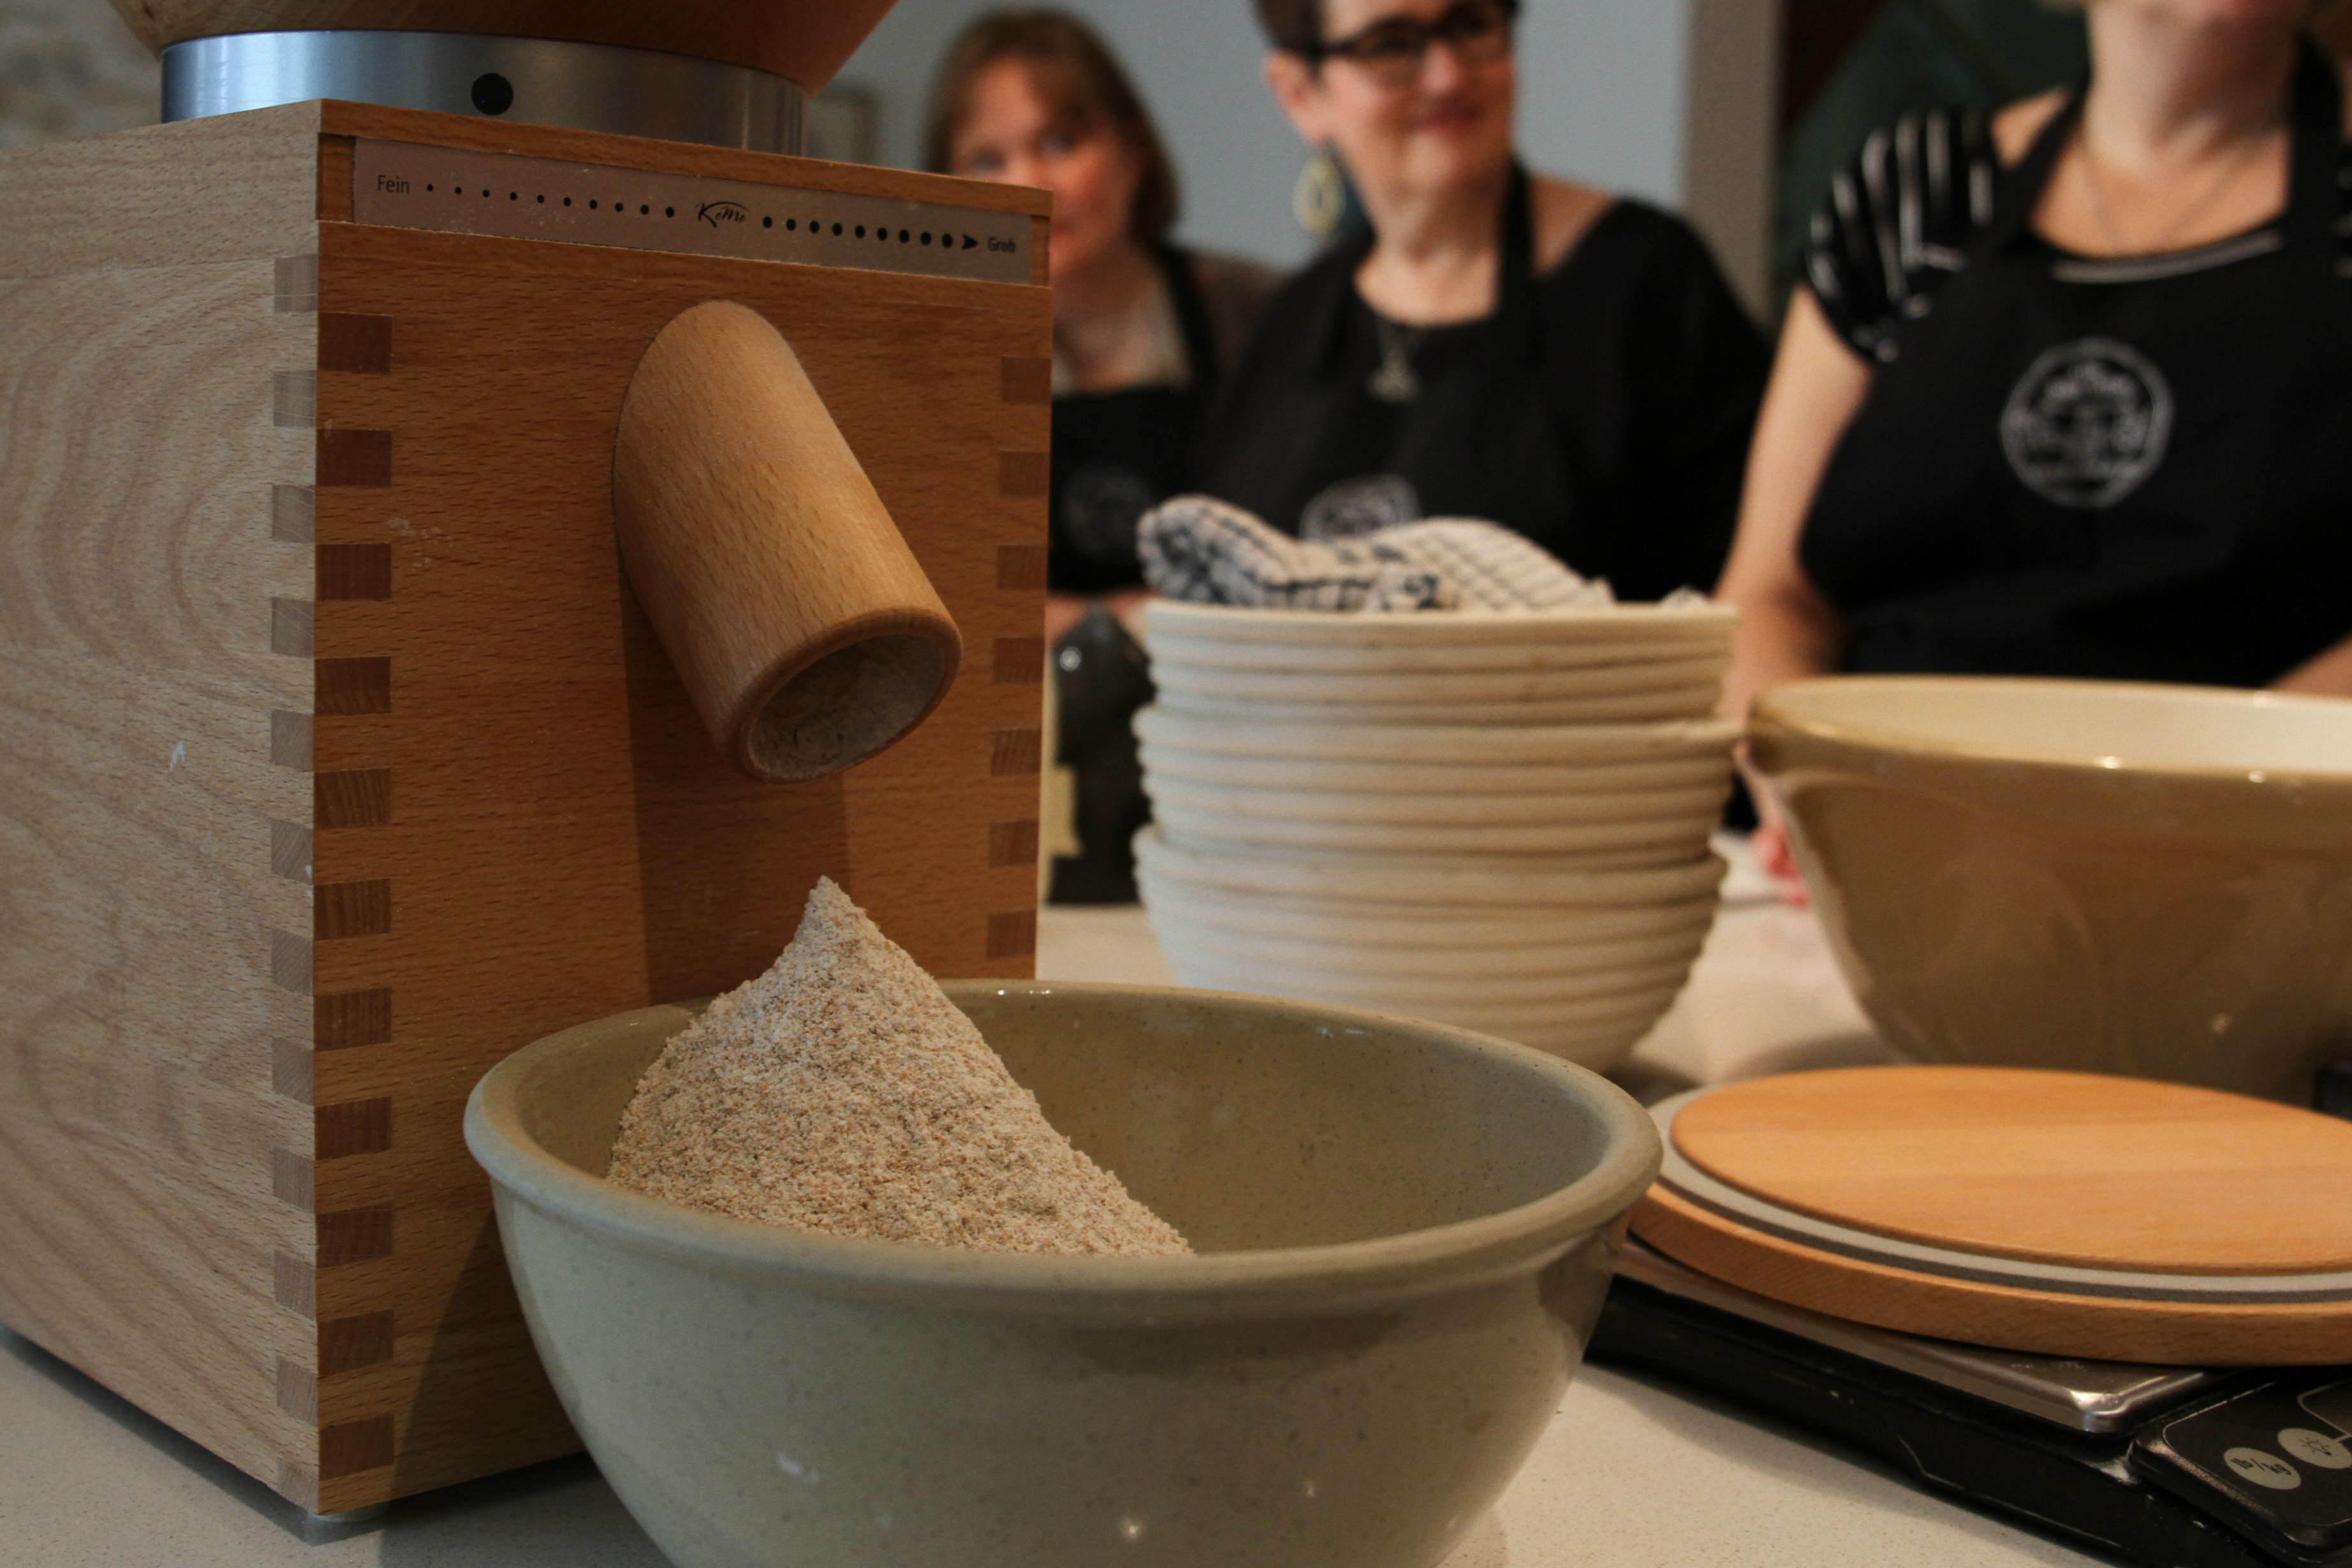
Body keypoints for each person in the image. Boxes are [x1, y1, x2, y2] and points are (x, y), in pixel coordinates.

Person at [1718, 0, 2352, 740]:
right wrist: (1809, 784)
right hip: (1891, 813)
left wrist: (2183, 800)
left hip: (2256, 829)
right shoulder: (1919, 195)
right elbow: (1767, 598)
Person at [1199, 0, 1770, 601]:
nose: (1446, 76)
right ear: (1301, 94)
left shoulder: (1645, 281)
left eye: (1471, 25)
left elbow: (1743, 596)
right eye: (1390, 45)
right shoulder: (1294, 320)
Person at [927, 10, 1279, 647]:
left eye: (1059, 143)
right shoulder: (936, 360)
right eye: (986, 159)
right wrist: (1119, 622)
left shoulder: (1256, 311)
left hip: (1234, 691)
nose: (1027, 184)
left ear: (1132, 154)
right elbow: (947, 603)